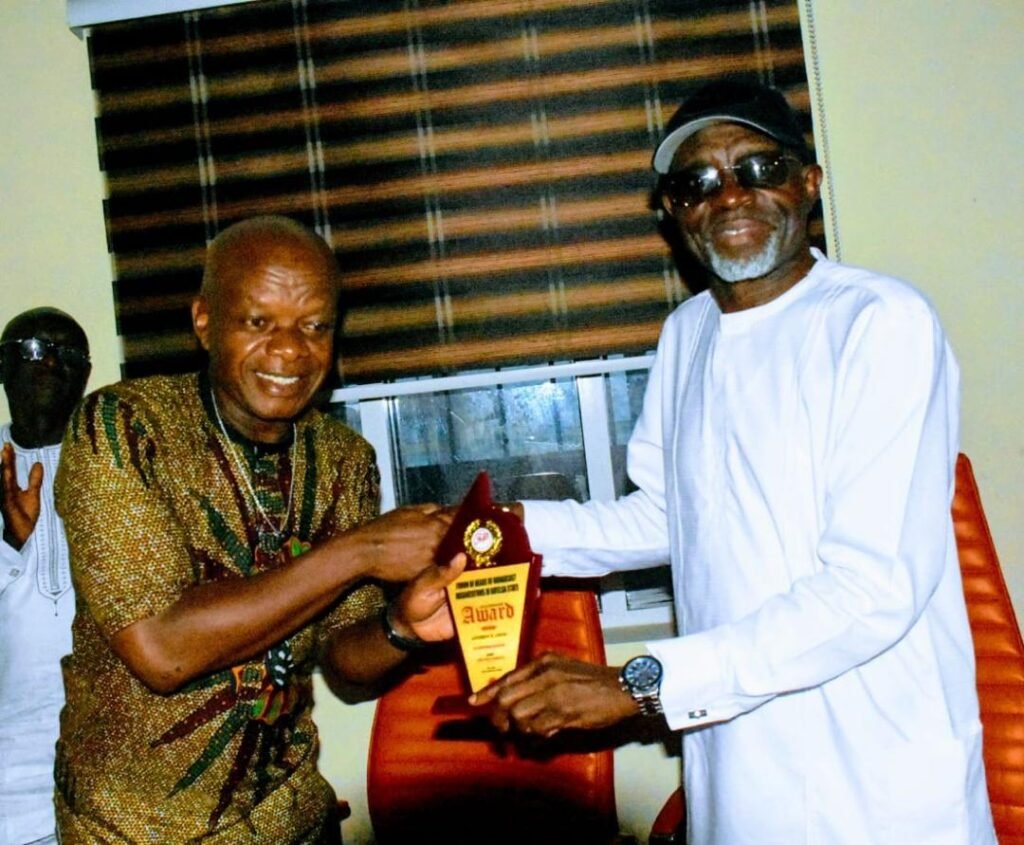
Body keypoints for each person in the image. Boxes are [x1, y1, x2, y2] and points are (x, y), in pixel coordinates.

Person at [473, 80, 996, 843]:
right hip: (737, 765)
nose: (730, 196)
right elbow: (666, 515)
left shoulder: (879, 323)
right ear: (673, 211)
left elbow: (871, 587)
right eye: (699, 183)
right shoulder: (687, 333)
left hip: (876, 778)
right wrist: (494, 529)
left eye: (759, 168)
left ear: (808, 183)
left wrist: (639, 682)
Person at [53, 216, 463, 844]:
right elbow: (161, 651)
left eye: (315, 326)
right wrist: (361, 550)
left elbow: (345, 664)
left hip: (290, 818)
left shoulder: (343, 460)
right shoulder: (125, 429)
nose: (291, 350)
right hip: (135, 830)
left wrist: (402, 626)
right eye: (258, 322)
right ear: (204, 321)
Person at [0, 308, 91, 845]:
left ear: (86, 374)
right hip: (9, 793)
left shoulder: (114, 468)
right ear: (3, 366)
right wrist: (9, 543)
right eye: (33, 348)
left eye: (67, 353)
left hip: (106, 779)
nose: (51, 362)